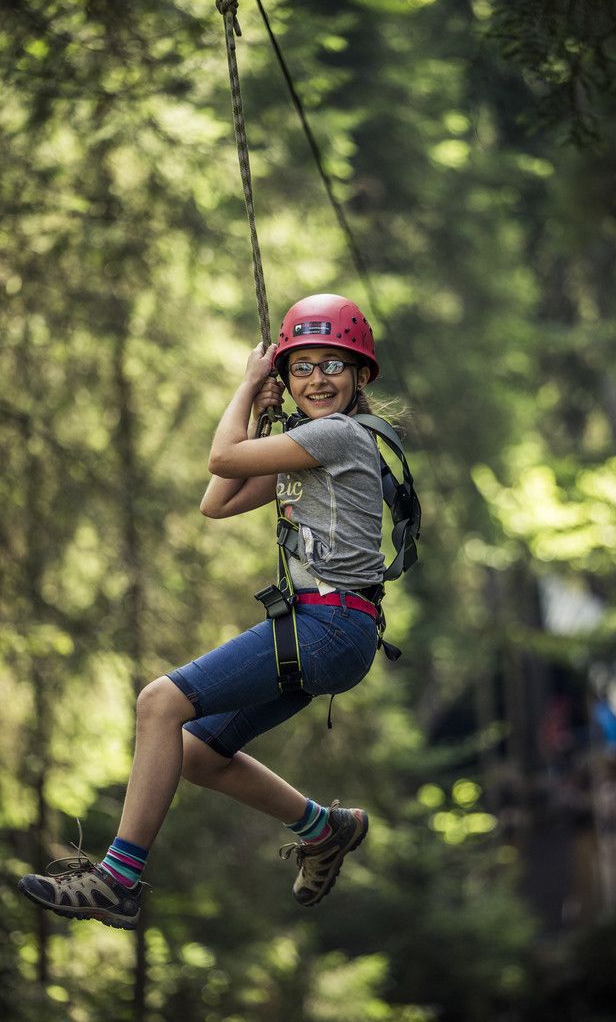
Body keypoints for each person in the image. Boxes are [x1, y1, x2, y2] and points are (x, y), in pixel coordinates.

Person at [19, 294, 395, 930]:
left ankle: (118, 878)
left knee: (158, 703)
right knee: (194, 752)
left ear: (360, 377)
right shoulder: (309, 448)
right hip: (333, 632)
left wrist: (249, 386)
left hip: (328, 626)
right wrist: (259, 416)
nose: (317, 379)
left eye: (334, 365)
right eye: (301, 367)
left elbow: (221, 460)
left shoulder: (339, 435)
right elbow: (216, 501)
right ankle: (324, 828)